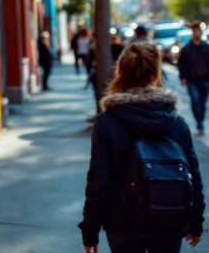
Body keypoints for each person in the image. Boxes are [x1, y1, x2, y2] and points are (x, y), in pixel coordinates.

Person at [79, 43, 204, 253]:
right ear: (155, 74)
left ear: (119, 72)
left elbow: (99, 180)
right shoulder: (177, 123)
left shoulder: (107, 122)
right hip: (169, 218)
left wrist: (90, 230)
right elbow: (194, 178)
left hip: (122, 222)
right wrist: (195, 222)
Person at [178, 22, 209, 136]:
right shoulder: (186, 48)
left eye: (199, 31)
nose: (198, 33)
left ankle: (200, 123)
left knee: (202, 103)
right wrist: (183, 77)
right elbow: (181, 64)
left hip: (205, 80)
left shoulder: (206, 47)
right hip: (192, 80)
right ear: (193, 33)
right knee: (195, 101)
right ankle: (199, 122)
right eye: (196, 31)